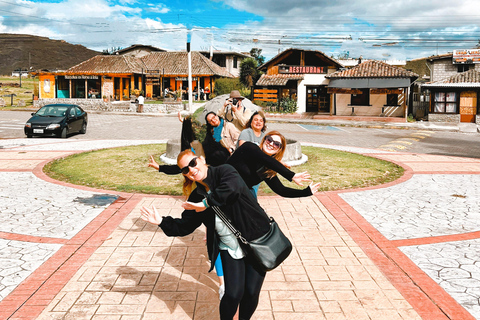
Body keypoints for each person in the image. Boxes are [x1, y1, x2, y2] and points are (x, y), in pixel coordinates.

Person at [141, 150, 273, 320]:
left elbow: (231, 189)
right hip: (230, 247)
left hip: (256, 240)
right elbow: (185, 226)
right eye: (185, 170)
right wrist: (161, 221)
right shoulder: (197, 195)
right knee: (233, 294)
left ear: (202, 159)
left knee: (251, 292)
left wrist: (206, 203)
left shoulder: (225, 171)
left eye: (193, 163)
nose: (191, 170)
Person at [227, 130, 320, 198]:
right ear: (264, 140)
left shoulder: (267, 170)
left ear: (279, 150)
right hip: (221, 187)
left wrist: (306, 192)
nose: (271, 144)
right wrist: (292, 175)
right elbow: (264, 158)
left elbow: (282, 190)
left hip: (235, 196)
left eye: (276, 144)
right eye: (269, 140)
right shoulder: (249, 147)